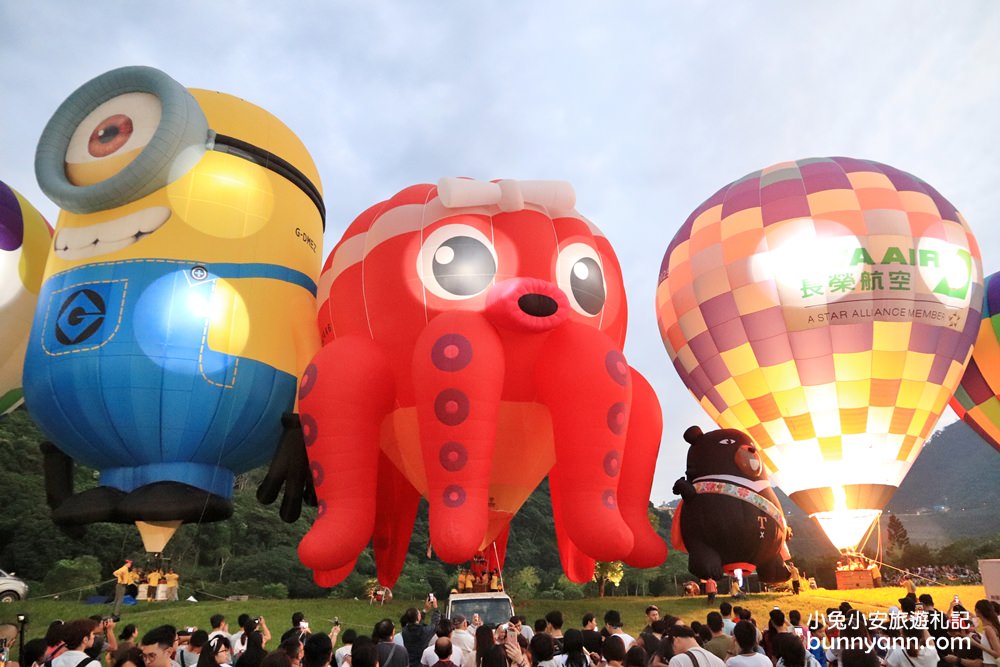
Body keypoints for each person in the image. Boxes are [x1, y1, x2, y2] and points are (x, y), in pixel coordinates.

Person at [401, 602, 441, 667]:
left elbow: (417, 625)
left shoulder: (404, 631)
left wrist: (425, 610)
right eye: (419, 613)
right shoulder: (424, 631)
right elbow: (435, 624)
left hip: (409, 663)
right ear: (418, 617)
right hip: (420, 663)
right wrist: (436, 608)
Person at [970, 600, 1000, 667]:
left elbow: (998, 653)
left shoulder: (988, 628)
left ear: (977, 611)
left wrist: (976, 644)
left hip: (991, 664)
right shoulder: (991, 626)